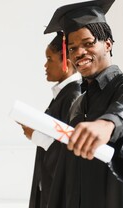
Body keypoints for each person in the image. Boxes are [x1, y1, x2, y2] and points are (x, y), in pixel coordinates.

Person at [43, 0, 123, 207]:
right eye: (72, 48)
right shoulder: (78, 104)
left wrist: (107, 124)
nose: (79, 53)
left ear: (107, 44)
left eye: (88, 44)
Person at [20, 32, 81, 208]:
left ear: (67, 62)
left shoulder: (73, 96)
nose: (45, 65)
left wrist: (35, 135)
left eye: (50, 59)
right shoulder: (63, 94)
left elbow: (69, 149)